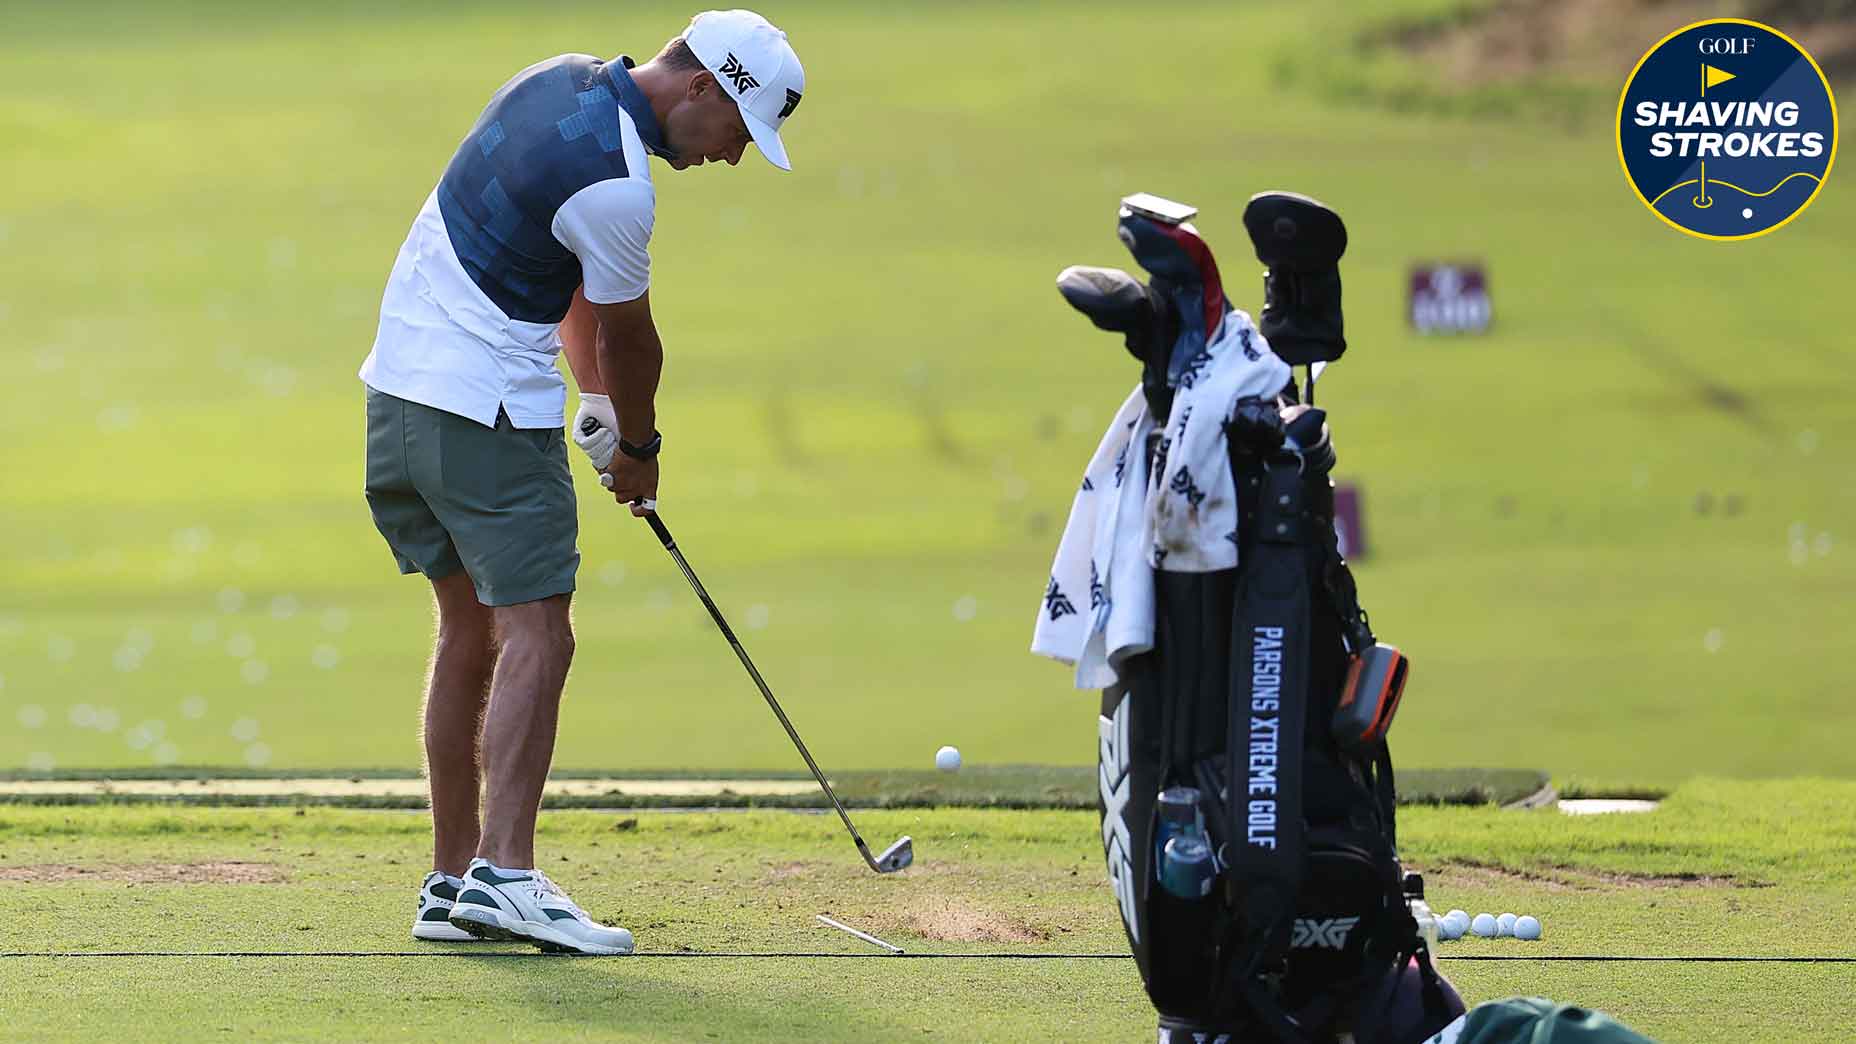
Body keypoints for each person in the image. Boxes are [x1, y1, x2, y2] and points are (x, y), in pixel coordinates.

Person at [357, 9, 805, 955]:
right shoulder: (621, 187)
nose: (731, 158)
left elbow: (565, 284)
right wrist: (638, 444)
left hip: (398, 404)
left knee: (469, 627)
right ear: (700, 88)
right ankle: (507, 876)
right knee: (541, 634)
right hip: (483, 412)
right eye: (737, 131)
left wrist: (593, 407)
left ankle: (451, 882)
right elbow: (630, 334)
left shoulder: (553, 81)